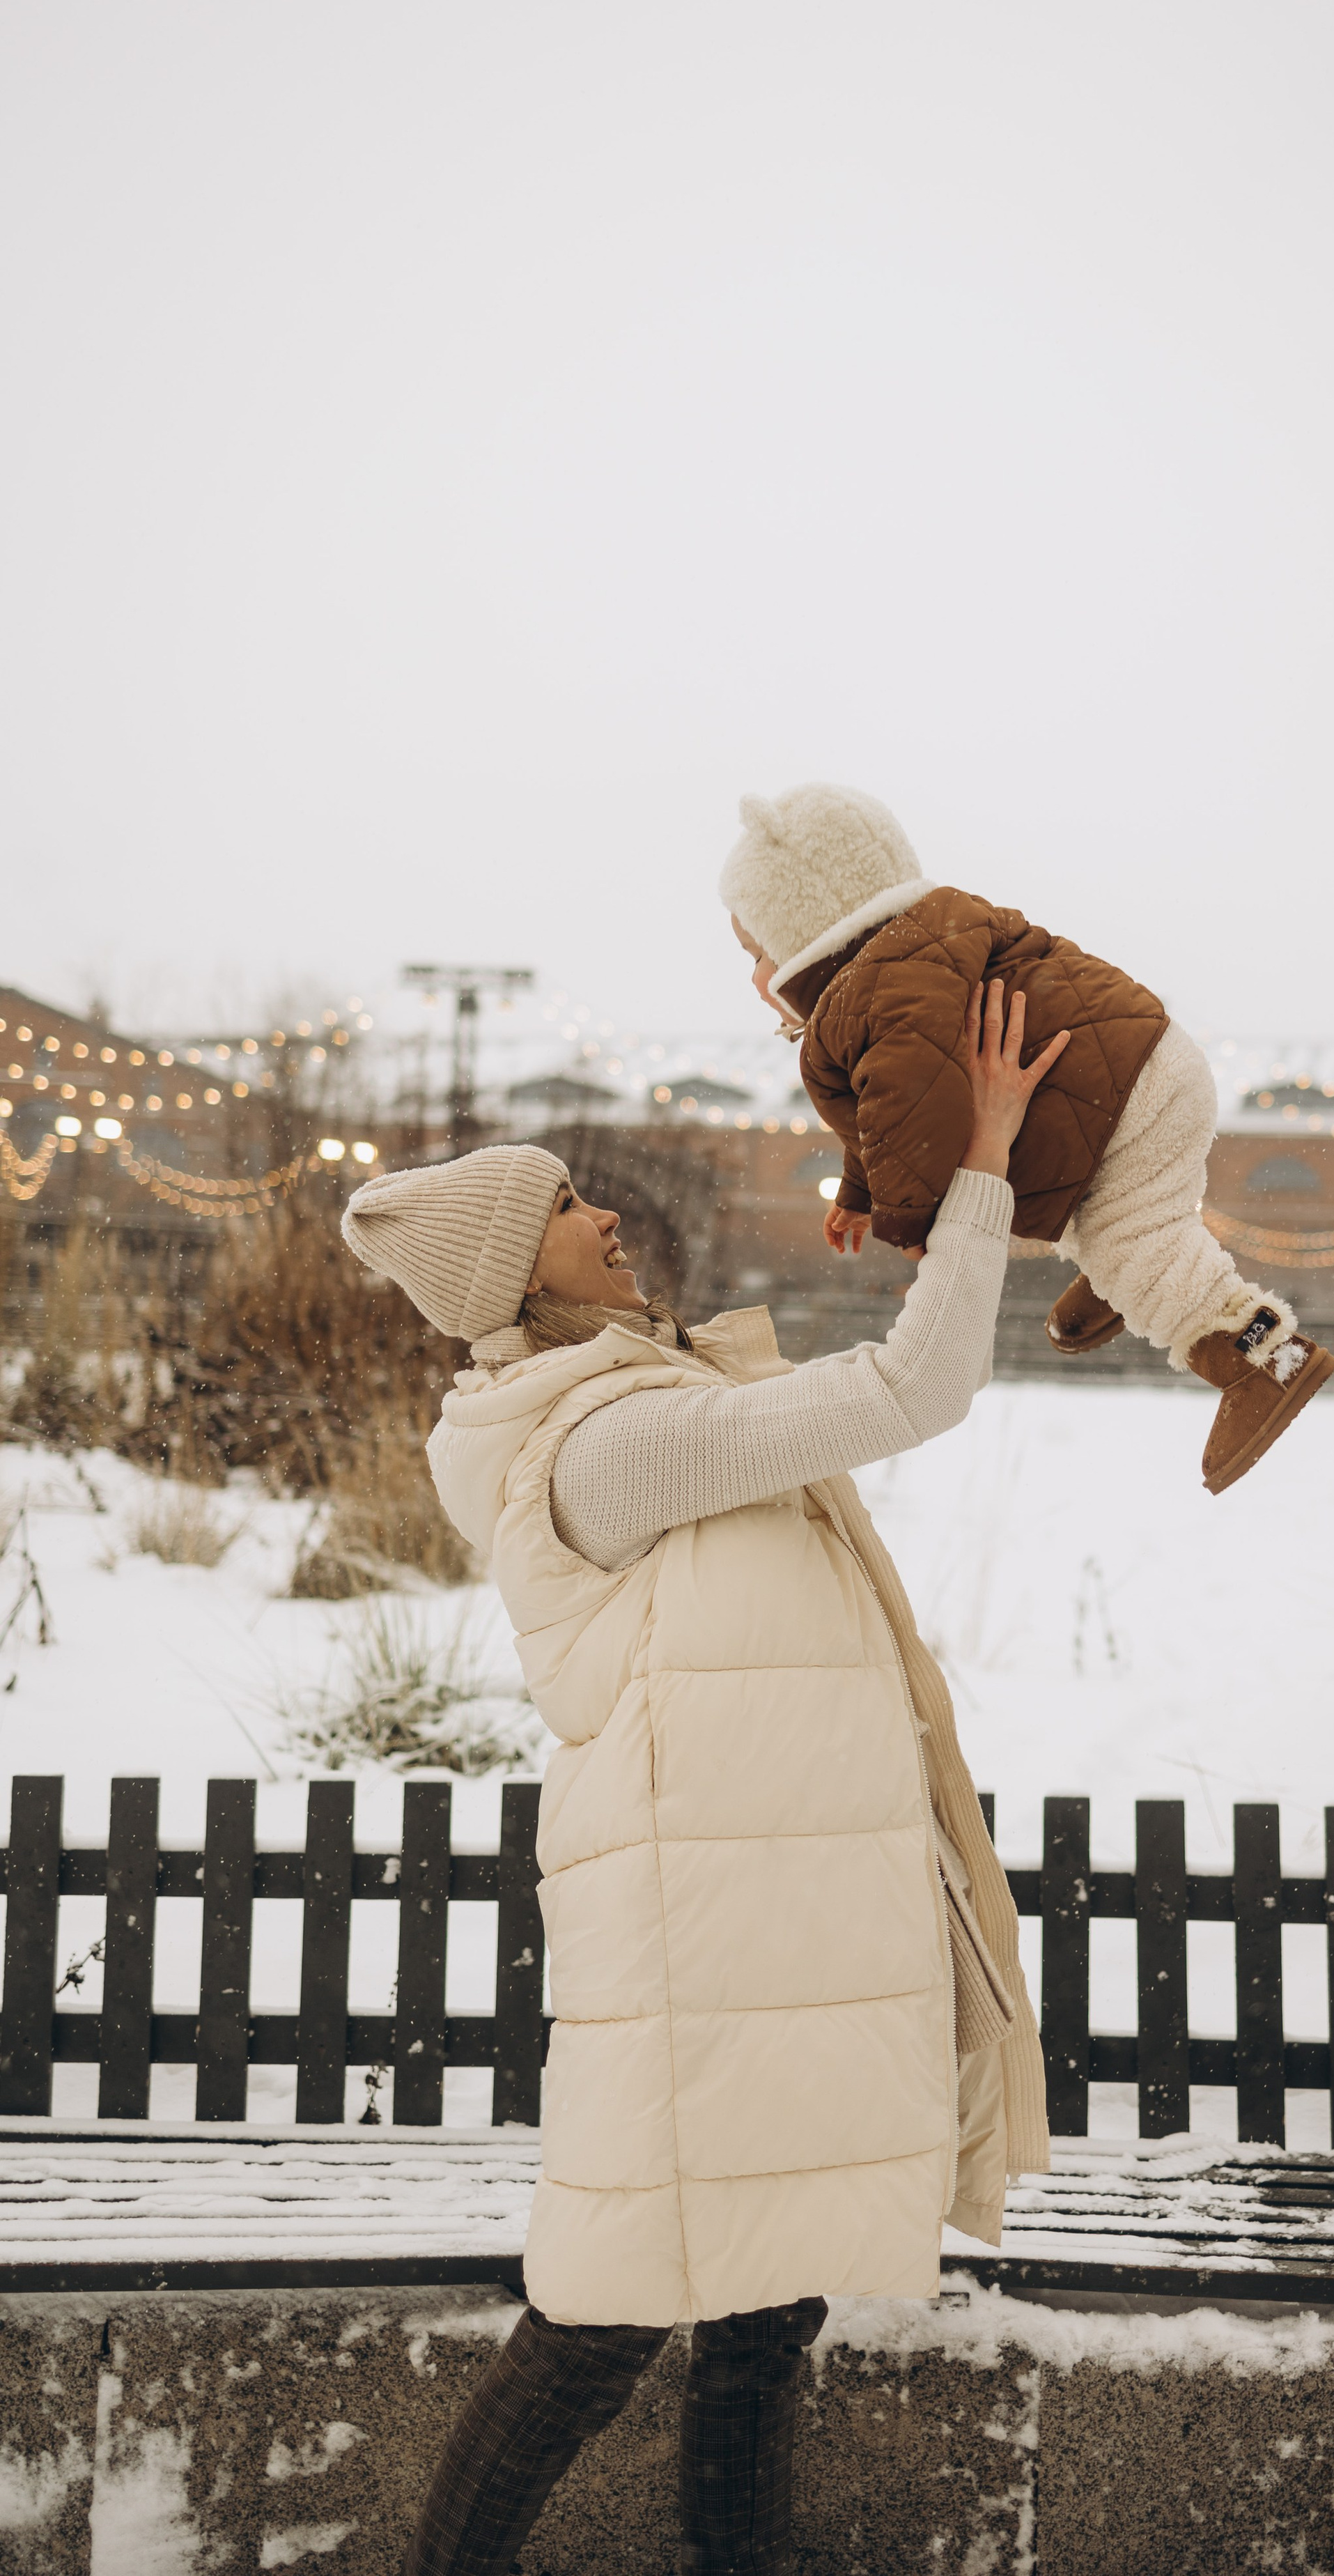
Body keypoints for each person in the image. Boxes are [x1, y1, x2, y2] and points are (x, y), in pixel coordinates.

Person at [339, 980, 1060, 2576]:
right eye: (565, 1208)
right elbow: (905, 1390)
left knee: (759, 2315)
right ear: (512, 1271)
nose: (605, 1216)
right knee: (597, 2323)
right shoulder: (599, 1443)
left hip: (759, 1925)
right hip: (701, 1944)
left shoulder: (641, 1401)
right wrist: (984, 1165)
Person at [720, 782, 1334, 1495]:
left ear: (806, 928)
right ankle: (1121, 1277)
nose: (754, 977)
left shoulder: (869, 992)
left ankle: (1263, 1360)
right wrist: (861, 1189)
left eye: (757, 952)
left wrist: (909, 1221)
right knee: (1093, 1203)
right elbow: (884, 1104)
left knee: (1132, 1236)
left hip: (1118, 1108)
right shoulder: (916, 942)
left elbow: (910, 1109)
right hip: (1137, 1073)